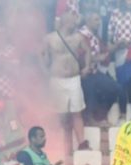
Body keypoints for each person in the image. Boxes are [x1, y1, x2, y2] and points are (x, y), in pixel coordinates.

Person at [45, 10, 91, 152]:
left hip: (74, 79)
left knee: (76, 112)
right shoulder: (49, 38)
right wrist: (45, 72)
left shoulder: (79, 37)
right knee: (58, 113)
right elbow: (42, 56)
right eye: (73, 19)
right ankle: (57, 145)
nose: (75, 22)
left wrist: (87, 66)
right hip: (57, 79)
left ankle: (82, 144)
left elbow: (88, 51)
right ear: (65, 21)